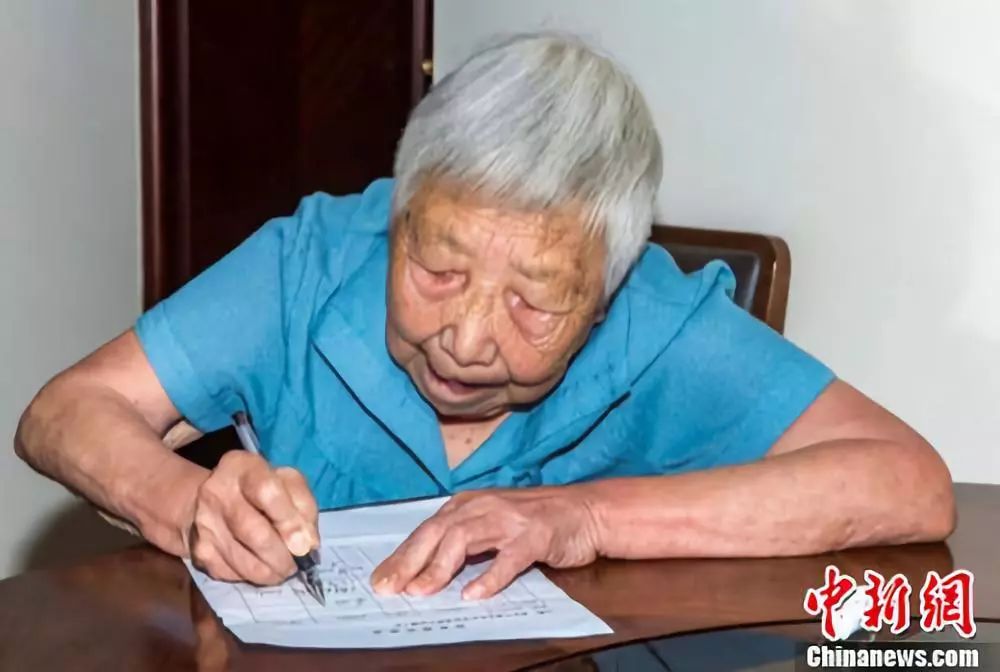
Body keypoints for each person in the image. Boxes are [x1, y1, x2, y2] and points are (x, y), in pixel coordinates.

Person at [15, 33, 953, 601]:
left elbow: (906, 482)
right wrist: (187, 504)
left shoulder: (658, 318)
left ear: (607, 287)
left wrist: (586, 516)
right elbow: (64, 411)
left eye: (533, 301)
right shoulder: (309, 263)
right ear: (400, 214)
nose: (464, 341)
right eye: (435, 268)